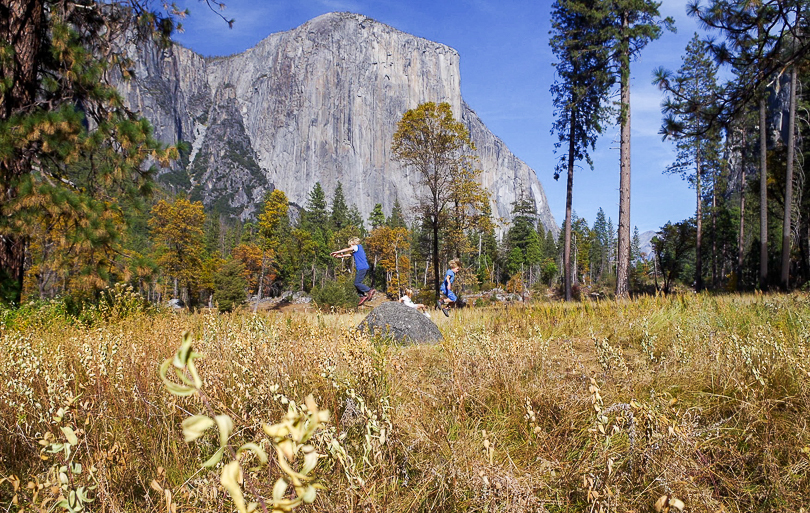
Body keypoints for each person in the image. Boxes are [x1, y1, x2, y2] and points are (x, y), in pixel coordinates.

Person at [331, 237, 376, 305]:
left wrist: (337, 252)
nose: (350, 246)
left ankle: (369, 290)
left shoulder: (356, 246)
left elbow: (347, 250)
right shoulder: (358, 249)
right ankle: (362, 296)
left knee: (357, 283)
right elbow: (350, 254)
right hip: (364, 268)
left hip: (361, 268)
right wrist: (340, 256)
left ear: (353, 243)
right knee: (357, 282)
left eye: (350, 245)